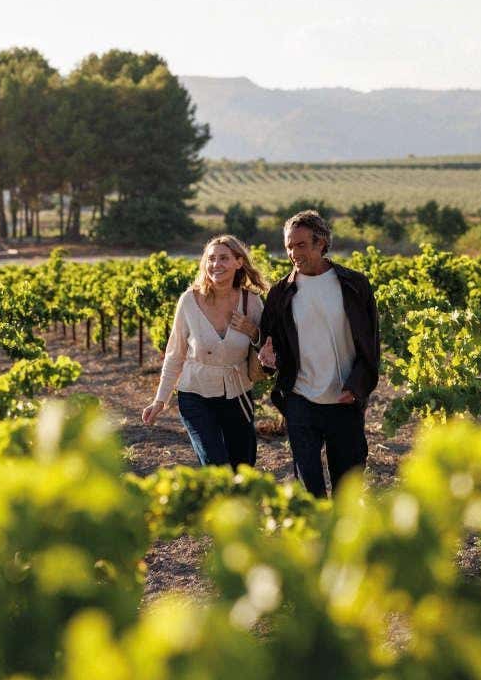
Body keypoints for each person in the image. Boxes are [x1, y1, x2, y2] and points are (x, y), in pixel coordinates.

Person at [258, 210, 380, 497]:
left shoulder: (354, 285)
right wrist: (267, 359)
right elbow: (268, 344)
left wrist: (357, 387)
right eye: (289, 246)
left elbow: (371, 345)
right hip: (300, 399)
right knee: (309, 490)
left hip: (344, 399)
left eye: (300, 245)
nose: (293, 253)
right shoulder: (280, 292)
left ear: (321, 243)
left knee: (347, 490)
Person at [142, 235, 268, 468]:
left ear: (239, 262)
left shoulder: (251, 302)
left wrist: (253, 331)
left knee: (243, 466)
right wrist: (160, 400)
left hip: (238, 394)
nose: (216, 264)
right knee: (216, 465)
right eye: (211, 258)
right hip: (195, 395)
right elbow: (175, 354)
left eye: (224, 258)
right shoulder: (189, 301)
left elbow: (269, 347)